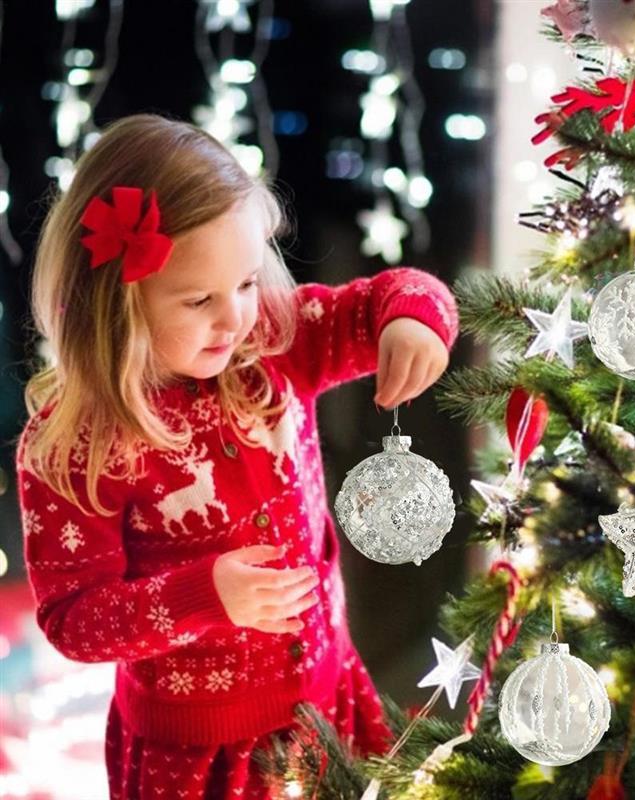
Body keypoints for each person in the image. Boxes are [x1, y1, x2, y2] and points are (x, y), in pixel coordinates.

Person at [14, 113, 459, 799]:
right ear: (116, 304)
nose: (236, 318)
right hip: (195, 753)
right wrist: (204, 596)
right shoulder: (74, 444)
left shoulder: (276, 345)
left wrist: (413, 320)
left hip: (325, 698)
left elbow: (390, 297)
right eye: (199, 300)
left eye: (248, 283)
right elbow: (75, 621)